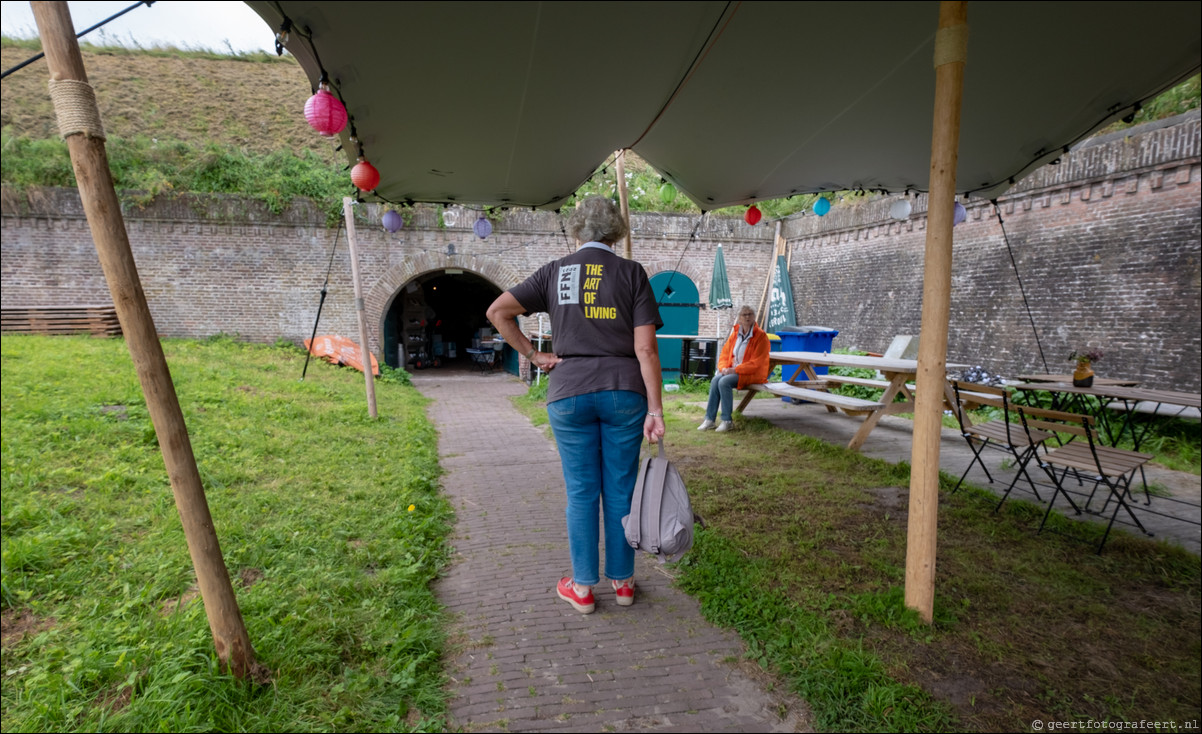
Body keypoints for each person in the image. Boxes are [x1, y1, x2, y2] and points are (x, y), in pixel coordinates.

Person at [486, 196, 665, 615]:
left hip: (568, 392)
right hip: (624, 392)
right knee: (621, 490)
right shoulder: (632, 273)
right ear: (615, 232)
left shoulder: (554, 272)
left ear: (577, 230)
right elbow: (646, 349)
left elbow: (498, 311)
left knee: (582, 492)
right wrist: (655, 410)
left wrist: (534, 355)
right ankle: (623, 584)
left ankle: (582, 589)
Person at [698, 305, 770, 432]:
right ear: (739, 318)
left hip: (752, 373)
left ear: (754, 317)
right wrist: (723, 368)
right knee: (716, 380)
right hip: (734, 371)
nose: (747, 317)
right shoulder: (735, 334)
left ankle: (727, 421)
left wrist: (735, 370)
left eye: (750, 314)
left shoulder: (761, 336)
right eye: (744, 315)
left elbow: (757, 363)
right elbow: (725, 354)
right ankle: (709, 419)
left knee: (724, 382)